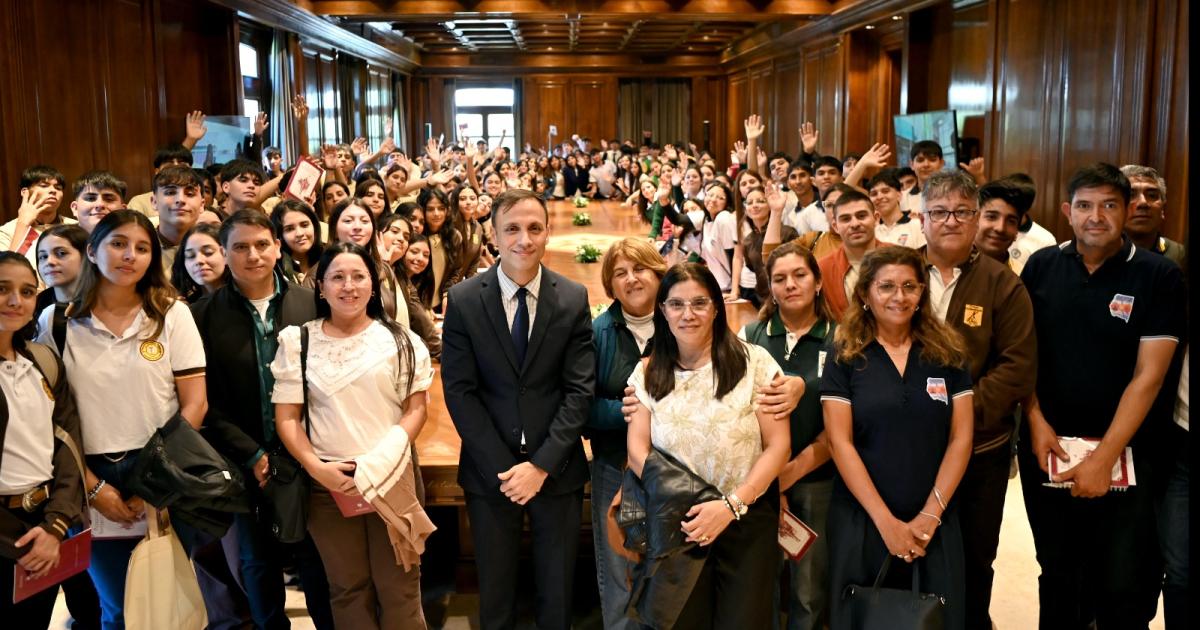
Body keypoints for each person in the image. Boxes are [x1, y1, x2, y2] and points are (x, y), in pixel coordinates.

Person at [1018, 163, 1185, 628]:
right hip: (1047, 447)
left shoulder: (1159, 275)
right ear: (1067, 212)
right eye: (1086, 206)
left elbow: (1148, 378)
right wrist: (1035, 421)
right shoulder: (1042, 265)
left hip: (1130, 454)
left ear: (1127, 210)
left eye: (1109, 205)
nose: (1097, 217)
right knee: (1057, 571)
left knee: (1120, 581)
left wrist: (1102, 458)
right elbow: (1023, 354)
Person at [35, 210, 209, 629]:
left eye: (142, 248)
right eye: (118, 244)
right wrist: (95, 490)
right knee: (118, 610)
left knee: (168, 606)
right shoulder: (58, 323)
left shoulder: (171, 315)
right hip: (91, 478)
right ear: (92, 251)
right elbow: (49, 420)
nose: (130, 255)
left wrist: (155, 484)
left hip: (164, 475)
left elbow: (195, 406)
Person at [441, 189, 595, 630]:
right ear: (493, 235)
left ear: (548, 233)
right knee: (496, 594)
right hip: (493, 471)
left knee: (557, 592)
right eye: (512, 228)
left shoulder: (571, 297)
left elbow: (578, 390)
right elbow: (460, 392)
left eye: (533, 228)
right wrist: (508, 469)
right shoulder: (466, 299)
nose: (523, 239)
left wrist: (541, 466)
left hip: (557, 468)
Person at [272, 242, 434, 630]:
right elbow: (288, 418)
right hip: (330, 488)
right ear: (321, 287)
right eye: (337, 277)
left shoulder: (400, 340)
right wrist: (317, 468)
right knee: (347, 589)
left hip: (392, 481)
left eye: (359, 276)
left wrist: (381, 461)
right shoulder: (299, 342)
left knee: (400, 589)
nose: (349, 286)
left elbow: (416, 409)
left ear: (373, 286)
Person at [624, 262, 790, 628]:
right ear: (663, 311)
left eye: (699, 303)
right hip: (678, 519)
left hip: (746, 517)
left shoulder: (756, 363)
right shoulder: (647, 373)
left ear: (717, 307)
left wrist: (731, 505)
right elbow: (637, 450)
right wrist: (690, 500)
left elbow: (778, 446)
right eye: (676, 304)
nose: (688, 314)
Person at [190, 209, 334, 630]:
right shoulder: (203, 315)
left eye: (261, 244)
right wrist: (249, 452)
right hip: (240, 454)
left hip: (309, 451)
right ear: (224, 252)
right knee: (255, 560)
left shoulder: (312, 304)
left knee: (316, 557)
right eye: (239, 247)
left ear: (276, 246)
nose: (252, 255)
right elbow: (204, 401)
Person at [821, 245, 974, 630]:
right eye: (886, 286)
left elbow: (961, 438)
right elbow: (840, 442)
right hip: (862, 516)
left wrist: (930, 514)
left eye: (909, 286)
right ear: (866, 295)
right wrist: (885, 522)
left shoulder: (949, 352)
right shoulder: (844, 353)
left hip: (935, 517)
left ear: (922, 292)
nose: (899, 296)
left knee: (937, 617)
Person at [917, 170, 1037, 628]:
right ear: (922, 218)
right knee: (911, 549)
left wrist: (957, 416)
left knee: (972, 560)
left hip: (979, 453)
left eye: (962, 212)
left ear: (975, 220)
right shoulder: (897, 272)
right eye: (940, 212)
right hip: (904, 448)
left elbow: (1016, 368)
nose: (951, 221)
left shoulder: (1004, 285)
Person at [739, 242, 836, 630]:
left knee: (808, 589)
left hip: (815, 476)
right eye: (779, 278)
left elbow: (841, 423)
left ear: (817, 282)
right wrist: (769, 481)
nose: (790, 285)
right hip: (758, 481)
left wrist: (788, 474)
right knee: (760, 581)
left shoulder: (840, 338)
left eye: (800, 275)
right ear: (770, 287)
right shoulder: (751, 335)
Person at [0, 252, 86, 627]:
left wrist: (54, 527)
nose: (16, 301)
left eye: (27, 291)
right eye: (2, 289)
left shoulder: (42, 360)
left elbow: (68, 446)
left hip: (43, 522)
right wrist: (13, 543)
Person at [587, 238, 667, 629]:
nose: (632, 279)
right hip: (615, 466)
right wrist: (628, 412)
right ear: (610, 285)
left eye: (640, 269)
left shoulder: (680, 320)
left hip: (674, 470)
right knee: (619, 566)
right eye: (620, 273)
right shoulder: (597, 332)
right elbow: (581, 407)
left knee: (668, 566)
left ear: (658, 272)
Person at [323, 198, 408, 326]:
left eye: (364, 221)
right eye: (348, 221)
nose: (357, 227)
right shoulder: (320, 272)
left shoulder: (383, 268)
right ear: (334, 229)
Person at [818, 189, 887, 320]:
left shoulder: (900, 258)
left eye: (861, 216)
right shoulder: (823, 269)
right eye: (845, 219)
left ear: (876, 218)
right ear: (835, 226)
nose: (855, 224)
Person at [1, 166, 76, 270]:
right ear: (25, 192)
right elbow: (7, 273)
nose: (53, 191)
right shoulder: (6, 231)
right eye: (44, 186)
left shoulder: (75, 226)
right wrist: (23, 225)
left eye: (58, 188)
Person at [1119, 164, 1185, 266]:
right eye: (1131, 195)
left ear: (1162, 209)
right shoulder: (1096, 254)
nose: (1143, 203)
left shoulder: (1181, 256)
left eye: (1152, 196)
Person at [974, 174, 1039, 272]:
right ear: (974, 220)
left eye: (1011, 221)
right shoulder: (949, 268)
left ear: (1017, 230)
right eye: (991, 217)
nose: (1000, 228)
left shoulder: (1020, 275)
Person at [150, 165, 204, 273]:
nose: (180, 200)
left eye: (189, 194)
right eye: (170, 192)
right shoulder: (141, 247)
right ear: (154, 202)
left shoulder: (215, 246)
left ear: (202, 204)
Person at [420, 188, 463, 313]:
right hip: (418, 305)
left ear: (447, 211)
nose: (436, 213)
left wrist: (446, 294)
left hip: (440, 303)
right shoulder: (416, 237)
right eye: (430, 209)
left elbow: (456, 270)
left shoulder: (454, 236)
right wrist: (421, 305)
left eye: (441, 208)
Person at [126, 144, 193, 218]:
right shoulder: (139, 202)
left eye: (182, 166)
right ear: (157, 172)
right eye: (169, 167)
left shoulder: (197, 198)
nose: (176, 170)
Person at [35, 225, 89, 315]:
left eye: (61, 253)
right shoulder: (37, 305)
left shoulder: (105, 304)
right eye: (43, 256)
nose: (50, 262)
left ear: (86, 256)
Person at [272, 199, 325, 285]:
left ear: (314, 226)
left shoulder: (330, 260)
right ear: (279, 235)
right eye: (289, 229)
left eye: (304, 225)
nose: (299, 233)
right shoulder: (275, 270)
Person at [869, 169, 924, 249]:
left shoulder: (917, 225)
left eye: (885, 191)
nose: (879, 197)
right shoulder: (873, 232)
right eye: (874, 194)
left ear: (899, 195)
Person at [171, 223, 226, 302]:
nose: (198, 260)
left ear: (225, 254)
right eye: (190, 256)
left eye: (208, 252)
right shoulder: (187, 308)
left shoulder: (245, 296)